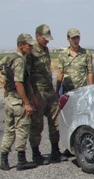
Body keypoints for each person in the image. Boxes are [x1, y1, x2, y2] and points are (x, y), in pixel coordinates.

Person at [0, 33, 38, 171]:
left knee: (9, 130)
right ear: (21, 45)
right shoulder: (20, 61)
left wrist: (3, 81)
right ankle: (21, 160)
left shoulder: (9, 58)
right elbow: (19, 83)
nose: (31, 47)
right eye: (28, 45)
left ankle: (4, 160)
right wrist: (27, 102)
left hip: (8, 99)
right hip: (18, 100)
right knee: (22, 129)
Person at [28, 24, 66, 165]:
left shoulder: (46, 50)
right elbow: (26, 75)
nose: (47, 41)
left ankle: (55, 151)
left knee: (55, 122)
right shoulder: (30, 51)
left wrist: (55, 91)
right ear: (38, 36)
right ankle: (36, 153)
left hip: (49, 90)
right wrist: (31, 96)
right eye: (45, 38)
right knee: (37, 124)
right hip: (37, 91)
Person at [56, 27, 94, 158]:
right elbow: (60, 73)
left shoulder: (86, 53)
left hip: (81, 92)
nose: (76, 40)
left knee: (81, 118)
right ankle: (67, 147)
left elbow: (90, 72)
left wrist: (91, 89)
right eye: (73, 38)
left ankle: (79, 145)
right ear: (68, 39)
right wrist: (57, 90)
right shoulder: (63, 55)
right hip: (67, 91)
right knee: (67, 119)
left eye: (77, 37)